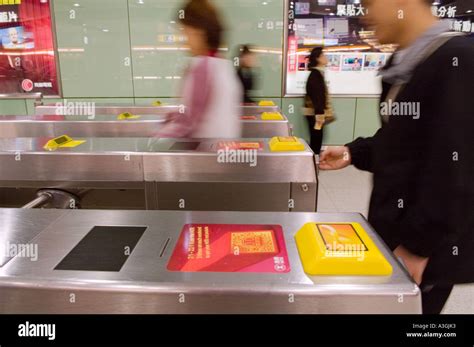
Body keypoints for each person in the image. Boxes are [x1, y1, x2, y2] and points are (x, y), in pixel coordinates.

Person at [320, 0, 474, 314]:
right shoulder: (409, 64)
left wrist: (417, 248)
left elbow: (456, 164)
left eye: (369, 3)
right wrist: (354, 152)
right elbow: (404, 144)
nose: (365, 16)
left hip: (423, 254)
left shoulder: (456, 60)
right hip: (396, 239)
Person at [158, 0, 242, 139]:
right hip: (224, 151)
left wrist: (153, 139)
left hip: (204, 156)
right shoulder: (223, 64)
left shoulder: (202, 67)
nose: (184, 40)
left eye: (185, 32)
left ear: (199, 32)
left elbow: (187, 123)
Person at [303, 46, 333, 154]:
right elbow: (317, 97)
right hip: (316, 114)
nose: (326, 58)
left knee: (316, 137)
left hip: (315, 113)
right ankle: (313, 162)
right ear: (318, 58)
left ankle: (313, 160)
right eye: (323, 55)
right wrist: (320, 115)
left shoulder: (317, 73)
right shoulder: (315, 75)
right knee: (317, 138)